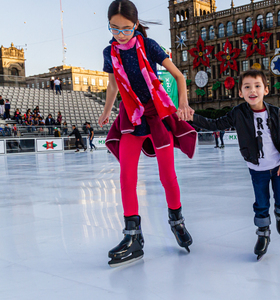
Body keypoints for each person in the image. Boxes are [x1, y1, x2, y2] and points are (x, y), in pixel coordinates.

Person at [99, 0, 197, 267]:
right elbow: (112, 86)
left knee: (167, 176)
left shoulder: (149, 46)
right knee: (126, 175)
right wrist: (108, 111)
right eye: (114, 28)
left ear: (136, 24)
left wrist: (184, 104)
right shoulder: (110, 52)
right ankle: (133, 237)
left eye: (126, 29)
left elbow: (179, 76)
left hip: (156, 115)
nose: (120, 34)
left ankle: (177, 222)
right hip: (131, 115)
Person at [192, 69, 280, 260]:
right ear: (240, 92)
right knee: (261, 203)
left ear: (266, 90)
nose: (252, 90)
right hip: (257, 169)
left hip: (278, 166)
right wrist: (192, 117)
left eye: (257, 86)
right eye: (247, 87)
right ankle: (263, 233)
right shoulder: (238, 113)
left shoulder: (277, 113)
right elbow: (215, 124)